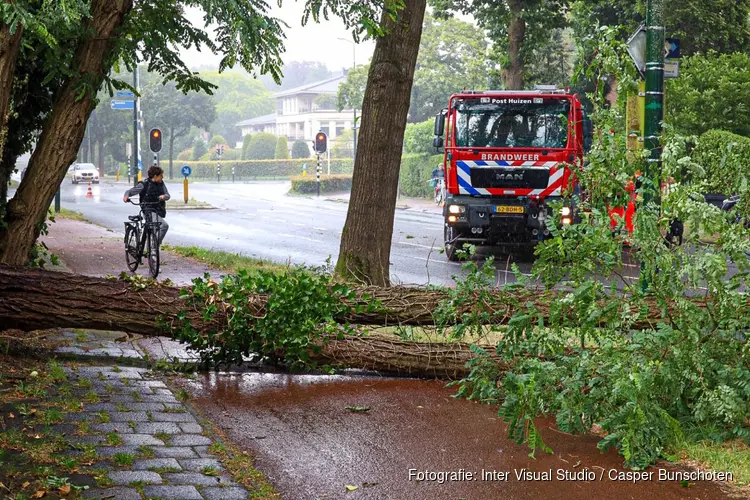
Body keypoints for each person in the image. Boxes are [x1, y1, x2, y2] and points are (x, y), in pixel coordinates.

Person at [122, 165, 170, 246]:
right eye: (161, 176)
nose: (162, 177)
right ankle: (154, 246)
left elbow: (167, 195)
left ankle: (150, 248)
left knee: (154, 230)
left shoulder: (161, 184)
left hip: (158, 210)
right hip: (148, 210)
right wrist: (126, 196)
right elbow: (130, 191)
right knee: (164, 226)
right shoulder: (144, 184)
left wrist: (164, 197)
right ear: (155, 176)